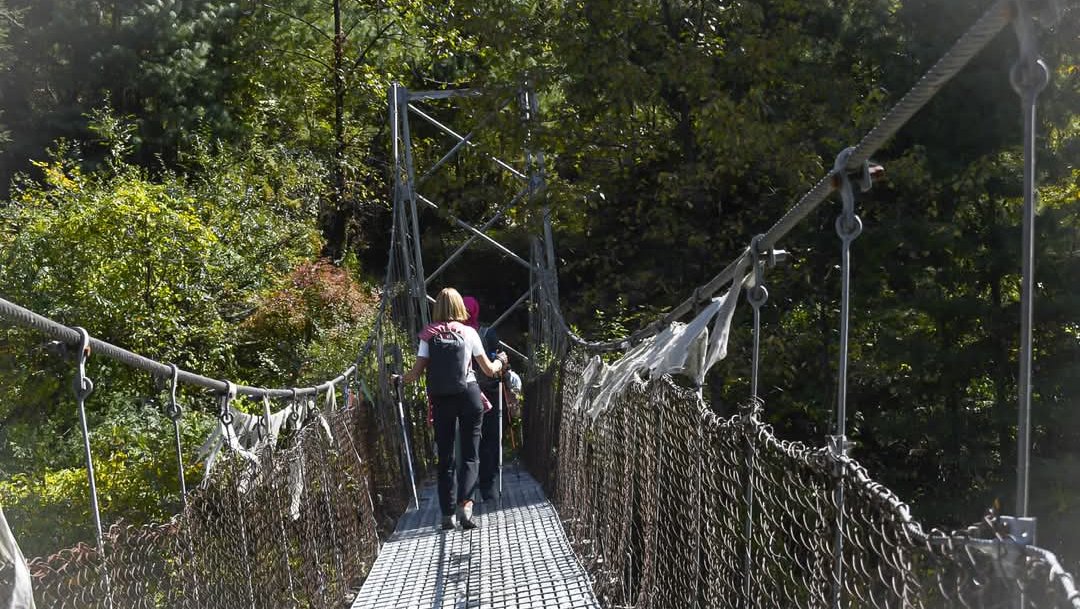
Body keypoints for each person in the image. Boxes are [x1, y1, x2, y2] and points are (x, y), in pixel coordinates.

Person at [399, 288, 508, 530]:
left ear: (436, 308)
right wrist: (501, 360)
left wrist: (398, 378)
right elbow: (489, 370)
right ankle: (466, 508)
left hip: (441, 398)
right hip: (468, 394)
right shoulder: (469, 332)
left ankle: (447, 515)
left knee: (445, 457)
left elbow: (414, 374)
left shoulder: (428, 335)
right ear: (460, 307)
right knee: (470, 455)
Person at [464, 296, 509, 501]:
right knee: (490, 439)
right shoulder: (486, 333)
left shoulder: (451, 334)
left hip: (463, 393)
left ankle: (466, 492)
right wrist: (502, 364)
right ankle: (488, 486)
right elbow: (497, 363)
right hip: (489, 392)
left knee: (468, 441)